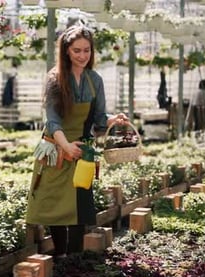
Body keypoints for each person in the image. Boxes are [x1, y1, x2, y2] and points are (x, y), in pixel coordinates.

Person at [25, 23, 129, 261]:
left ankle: (75, 260)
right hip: (56, 149)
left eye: (87, 50)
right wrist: (66, 146)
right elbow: (51, 121)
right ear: (66, 51)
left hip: (82, 150)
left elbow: (99, 118)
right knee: (57, 206)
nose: (83, 56)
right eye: (77, 51)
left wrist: (114, 119)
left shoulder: (95, 80)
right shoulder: (55, 79)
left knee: (79, 206)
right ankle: (60, 257)